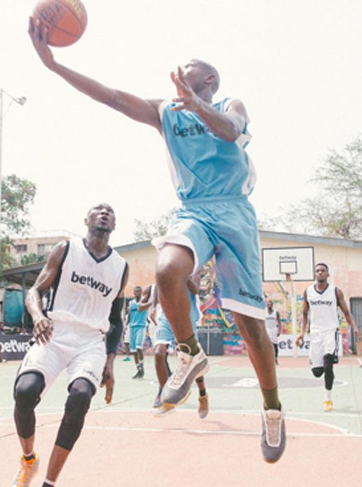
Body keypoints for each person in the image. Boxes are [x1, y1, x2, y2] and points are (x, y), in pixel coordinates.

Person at [29, 22, 286, 463]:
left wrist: (197, 104)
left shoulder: (228, 103)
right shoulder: (166, 112)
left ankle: (272, 408)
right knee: (167, 268)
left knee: (249, 323)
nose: (178, 76)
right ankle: (189, 354)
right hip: (194, 211)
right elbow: (110, 95)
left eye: (188, 71)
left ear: (207, 79)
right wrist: (54, 64)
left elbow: (230, 130)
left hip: (234, 212)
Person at [9, 203, 128, 487]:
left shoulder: (120, 267)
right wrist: (38, 316)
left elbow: (116, 320)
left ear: (114, 224)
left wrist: (110, 362)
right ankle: (28, 460)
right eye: (98, 209)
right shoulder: (66, 249)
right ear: (85, 219)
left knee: (80, 398)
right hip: (55, 331)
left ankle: (49, 482)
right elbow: (35, 291)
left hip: (90, 341)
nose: (104, 213)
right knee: (24, 393)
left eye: (109, 211)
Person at [297, 263, 359, 412]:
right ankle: (322, 365)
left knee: (328, 362)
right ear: (315, 274)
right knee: (317, 372)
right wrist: (301, 332)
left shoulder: (336, 292)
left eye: (323, 271)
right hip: (315, 333)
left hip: (331, 331)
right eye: (317, 271)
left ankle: (328, 399)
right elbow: (304, 314)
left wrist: (355, 327)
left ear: (328, 274)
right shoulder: (308, 292)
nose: (320, 273)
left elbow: (346, 312)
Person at [152, 274, 209, 418]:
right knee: (159, 353)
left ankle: (203, 394)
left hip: (186, 315)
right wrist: (154, 307)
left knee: (192, 360)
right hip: (166, 315)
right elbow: (158, 285)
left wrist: (180, 275)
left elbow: (196, 290)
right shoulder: (165, 260)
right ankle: (166, 399)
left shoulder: (192, 268)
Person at [125, 285, 152, 379]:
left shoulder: (144, 302)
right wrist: (125, 325)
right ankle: (138, 370)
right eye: (136, 291)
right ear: (134, 293)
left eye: (139, 291)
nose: (137, 292)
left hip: (141, 326)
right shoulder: (131, 303)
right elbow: (129, 315)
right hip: (132, 327)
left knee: (138, 347)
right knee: (133, 351)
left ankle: (142, 368)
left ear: (141, 293)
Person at [265, 300, 283, 366]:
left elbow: (279, 322)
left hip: (273, 329)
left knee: (275, 345)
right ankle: (268, 358)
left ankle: (275, 358)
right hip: (267, 329)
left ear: (272, 305)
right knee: (267, 345)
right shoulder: (264, 312)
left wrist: (279, 330)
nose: (269, 305)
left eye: (270, 304)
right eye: (268, 304)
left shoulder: (276, 312)